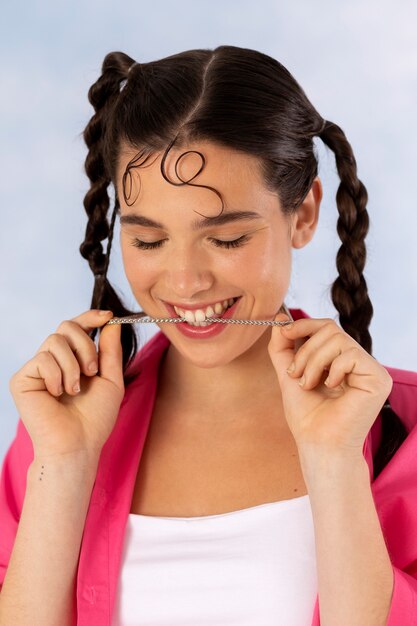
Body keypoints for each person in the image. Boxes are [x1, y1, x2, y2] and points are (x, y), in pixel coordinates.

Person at [0, 45, 416, 626]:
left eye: (226, 240)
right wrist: (65, 466)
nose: (186, 282)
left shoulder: (406, 429)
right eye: (148, 241)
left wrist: (334, 461)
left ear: (303, 214)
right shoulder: (59, 432)